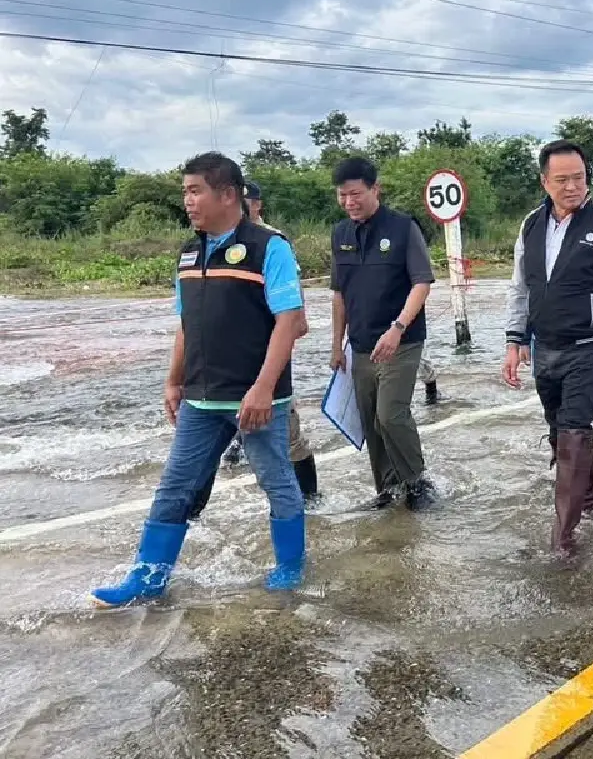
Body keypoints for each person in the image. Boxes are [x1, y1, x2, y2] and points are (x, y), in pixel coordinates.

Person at [92, 153, 308, 607]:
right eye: (185, 192)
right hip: (201, 398)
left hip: (257, 397)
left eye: (195, 191)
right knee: (175, 486)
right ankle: (147, 578)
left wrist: (263, 389)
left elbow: (289, 322)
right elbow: (187, 324)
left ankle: (290, 566)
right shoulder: (190, 252)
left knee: (276, 480)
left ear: (227, 194)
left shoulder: (269, 247)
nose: (187, 201)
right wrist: (173, 382)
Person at [502, 140, 593, 552]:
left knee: (574, 434)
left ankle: (562, 536)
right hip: (545, 347)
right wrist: (515, 341)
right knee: (559, 430)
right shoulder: (531, 225)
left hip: (590, 345)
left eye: (578, 178)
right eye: (561, 180)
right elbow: (519, 289)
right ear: (545, 181)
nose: (571, 187)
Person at [199, 180, 321, 507]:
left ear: (256, 205)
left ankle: (309, 500)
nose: (243, 206)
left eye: (248, 201)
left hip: (267, 352)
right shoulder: (215, 239)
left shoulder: (271, 242)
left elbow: (292, 301)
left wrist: (295, 323)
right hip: (226, 362)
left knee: (289, 434)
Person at [330, 158, 437, 511]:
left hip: (401, 341)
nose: (349, 202)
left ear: (375, 189)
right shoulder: (340, 234)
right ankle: (387, 489)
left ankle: (417, 482)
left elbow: (422, 282)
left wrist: (398, 327)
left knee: (391, 414)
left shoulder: (403, 228)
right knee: (371, 420)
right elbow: (339, 294)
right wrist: (336, 345)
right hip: (359, 344)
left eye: (356, 194)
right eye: (342, 196)